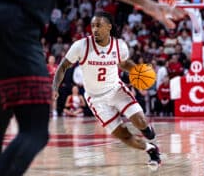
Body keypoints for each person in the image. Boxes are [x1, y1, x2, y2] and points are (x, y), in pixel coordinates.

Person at [0, 0, 186, 175]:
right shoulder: (80, 46)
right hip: (14, 22)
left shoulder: (117, 46)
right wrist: (149, 5)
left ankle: (149, 141)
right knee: (34, 131)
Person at [53, 11, 161, 166]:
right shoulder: (81, 46)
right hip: (95, 99)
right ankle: (151, 149)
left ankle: (146, 128)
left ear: (109, 27)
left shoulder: (119, 45)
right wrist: (54, 87)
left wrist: (137, 70)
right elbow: (63, 67)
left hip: (116, 90)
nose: (95, 29)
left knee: (140, 120)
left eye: (99, 25)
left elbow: (123, 63)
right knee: (123, 136)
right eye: (93, 26)